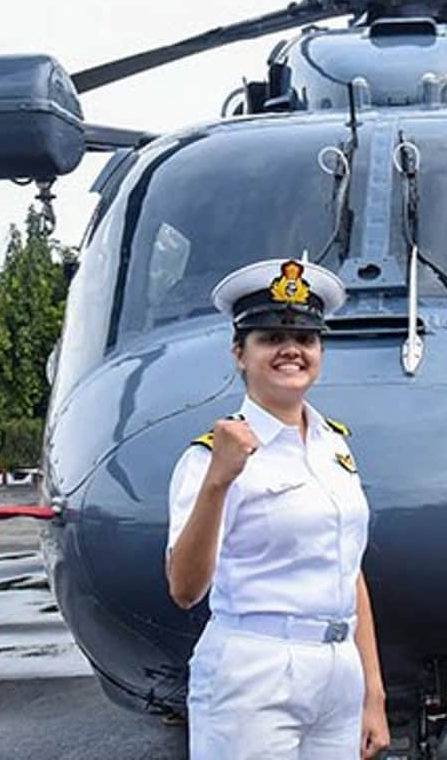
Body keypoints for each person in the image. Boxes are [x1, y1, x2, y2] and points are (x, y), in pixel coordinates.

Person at [166, 258, 390, 759]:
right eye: (269, 337)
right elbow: (184, 588)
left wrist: (372, 689)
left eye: (306, 339)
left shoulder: (334, 446)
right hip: (255, 670)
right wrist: (217, 483)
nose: (291, 349)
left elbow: (349, 571)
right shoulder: (208, 456)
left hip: (337, 669)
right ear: (239, 353)